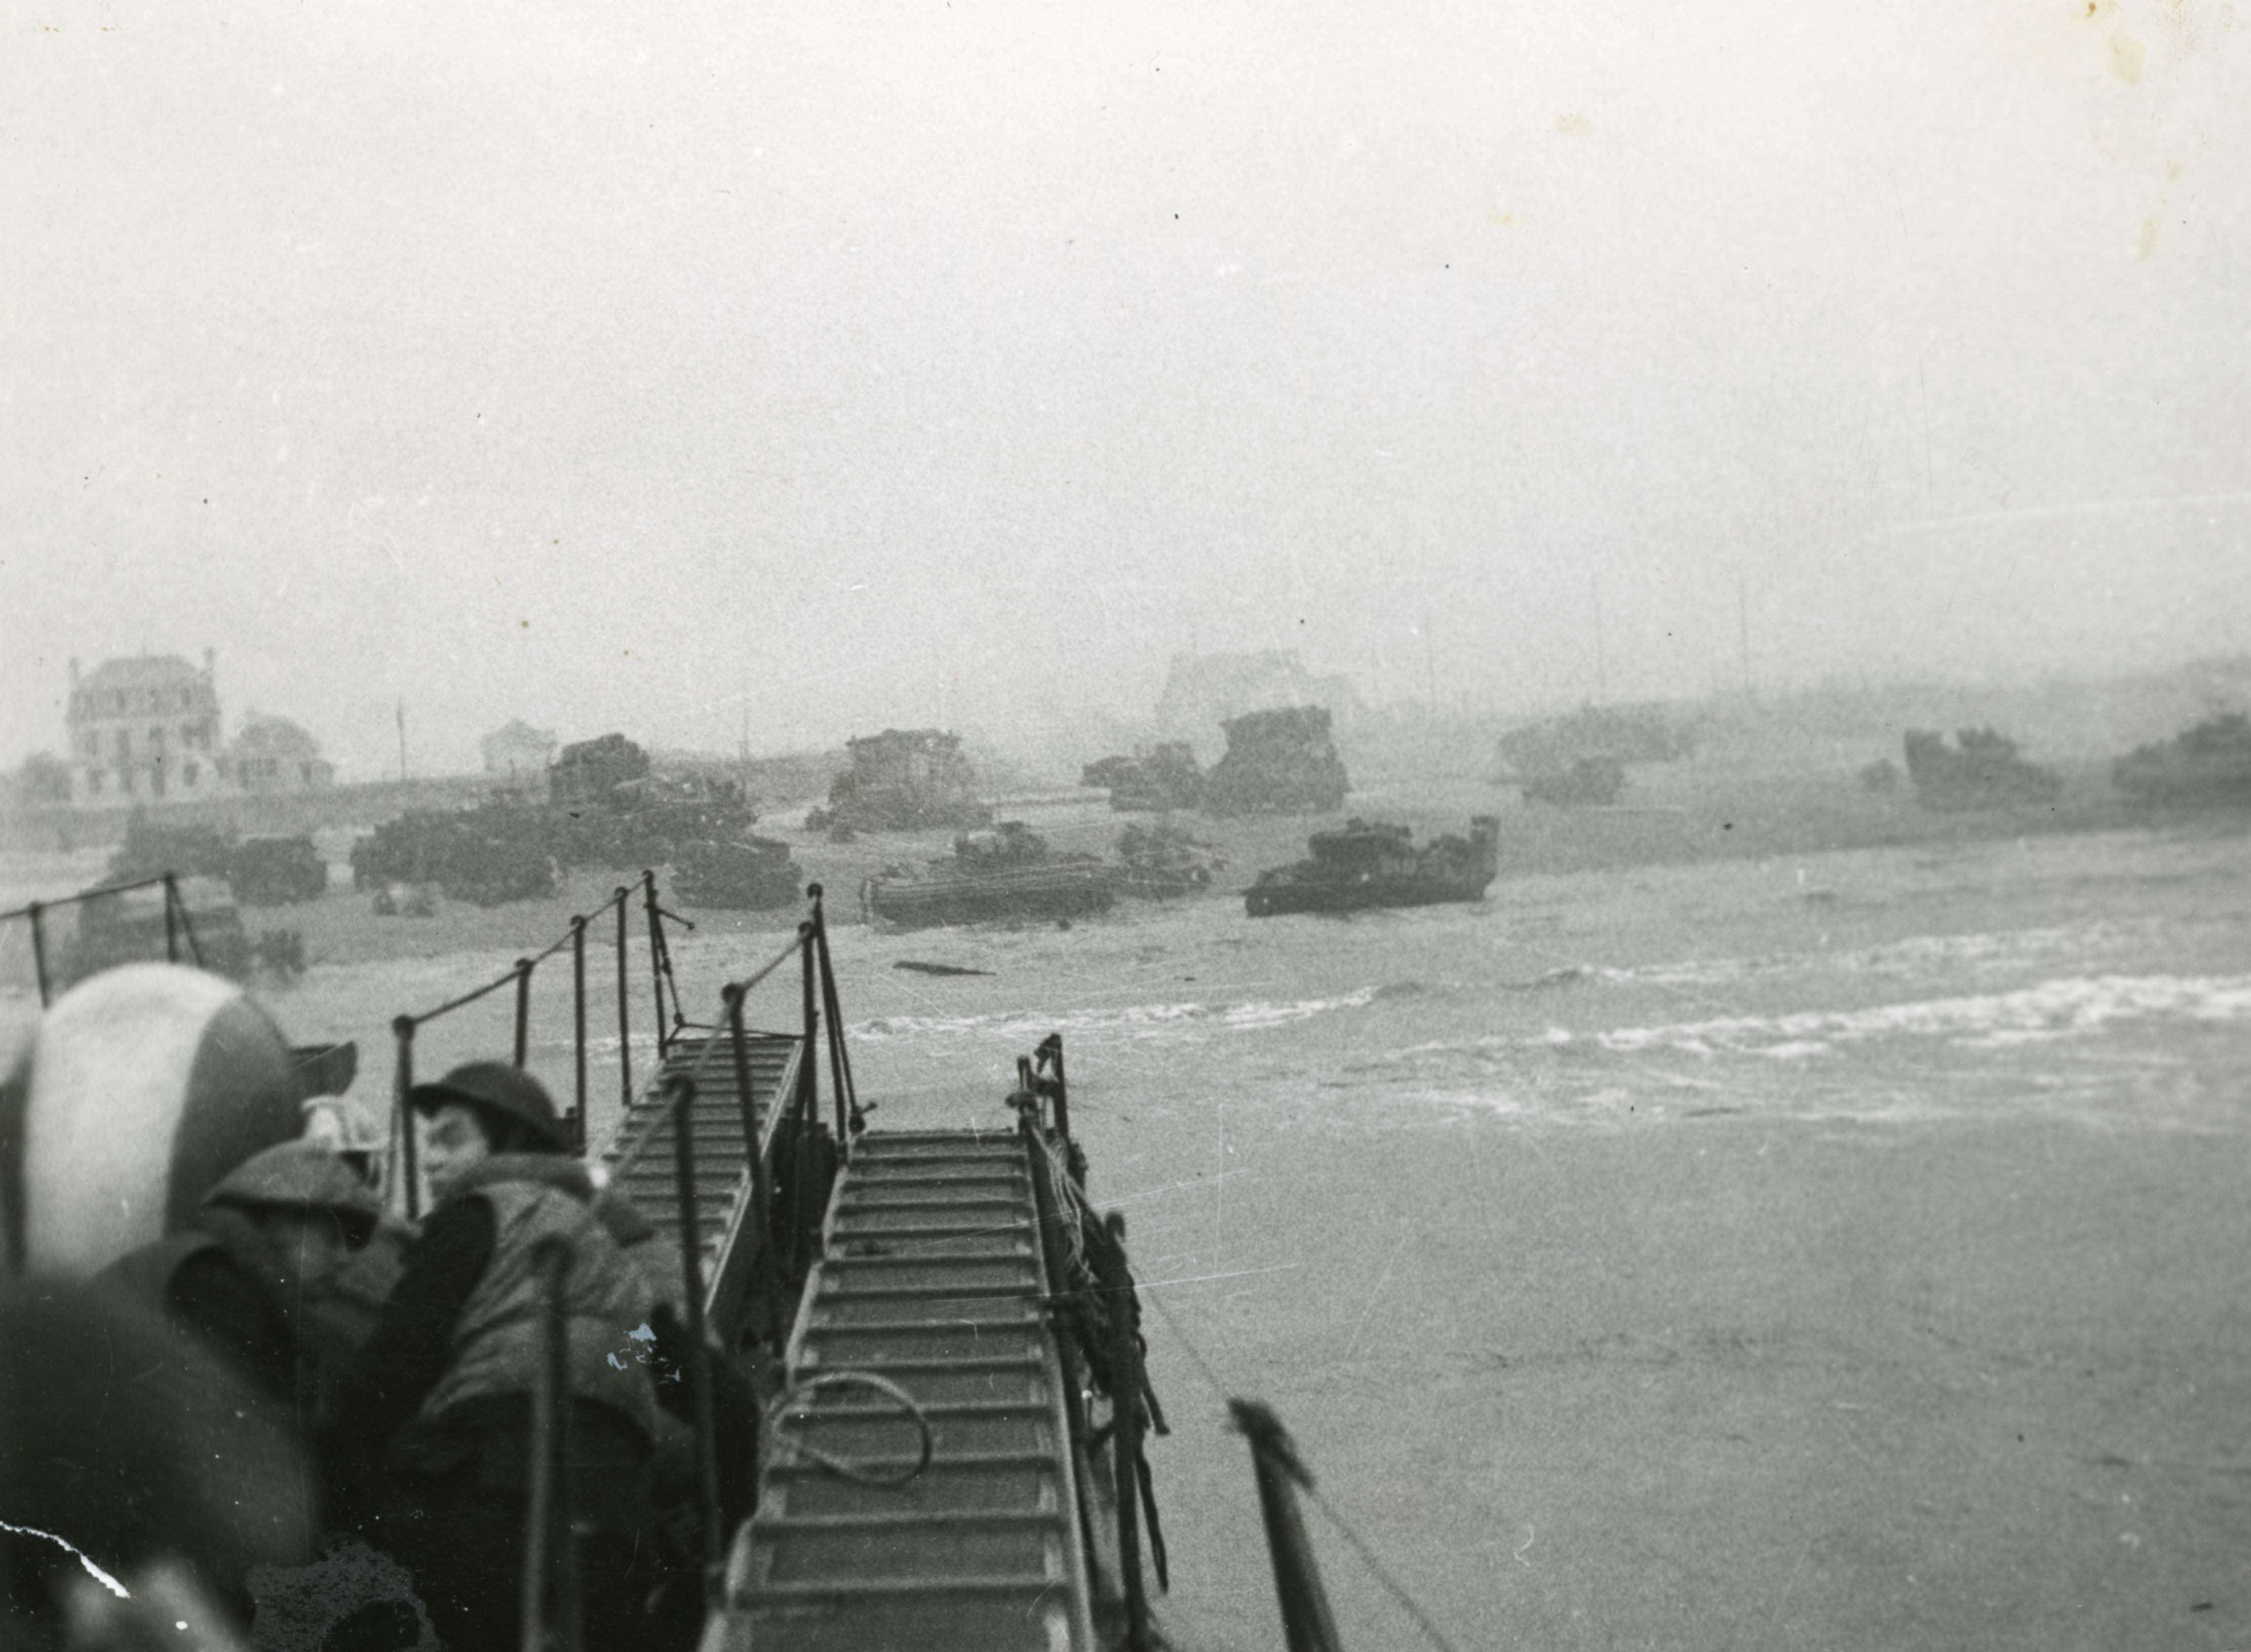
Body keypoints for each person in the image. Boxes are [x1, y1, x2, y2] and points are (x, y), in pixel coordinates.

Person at [329, 1061, 669, 1650]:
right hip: (614, 1505)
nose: (431, 1160)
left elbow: (390, 1372)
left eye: (451, 1138)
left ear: (510, 1142)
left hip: (493, 1492)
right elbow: (686, 1373)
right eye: (426, 1143)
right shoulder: (613, 1251)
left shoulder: (478, 1215)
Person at [99, 1137, 383, 1427]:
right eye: (334, 1238)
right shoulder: (212, 1282)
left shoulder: (222, 1272)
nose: (345, 1259)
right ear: (281, 1223)